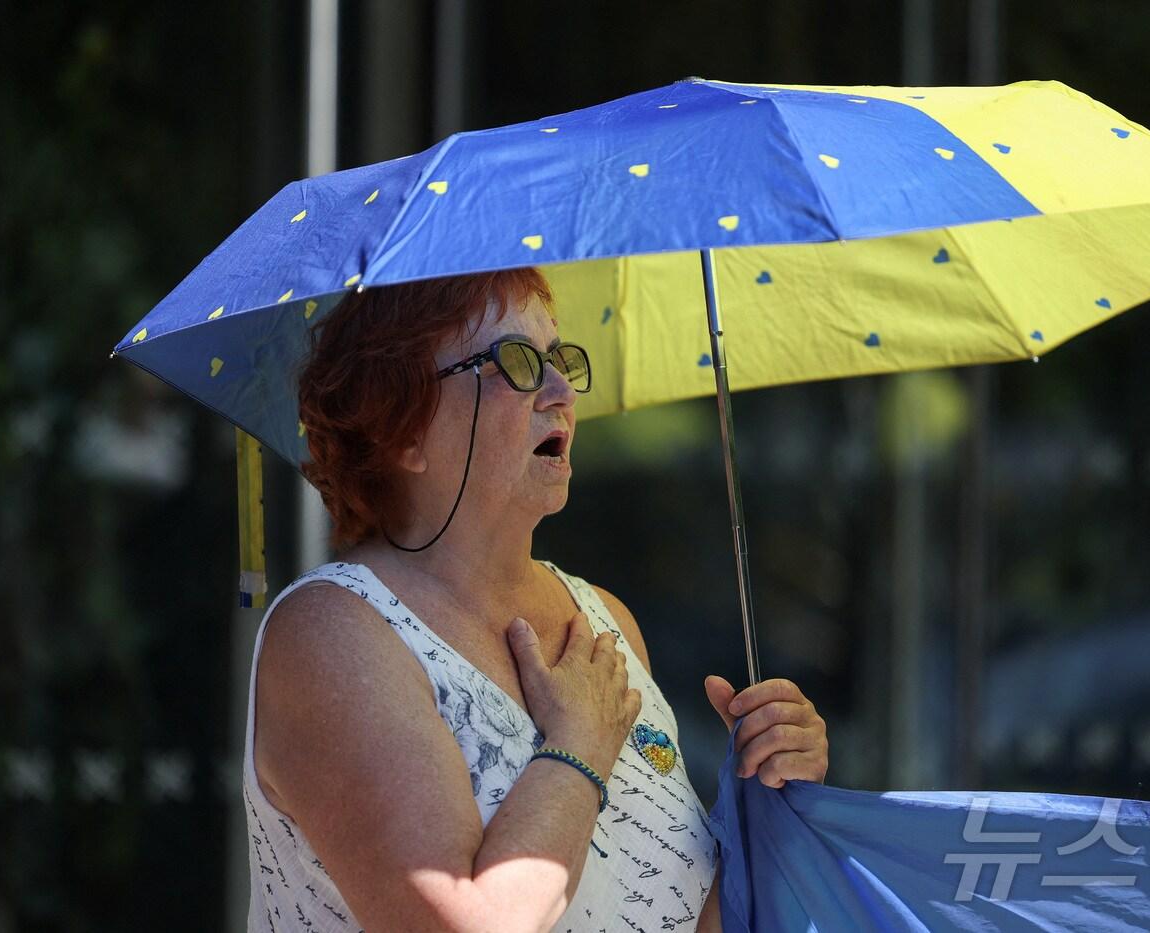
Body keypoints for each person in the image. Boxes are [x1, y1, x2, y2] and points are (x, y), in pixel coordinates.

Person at [240, 268, 830, 932]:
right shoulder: (332, 633)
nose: (560, 392)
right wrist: (578, 744)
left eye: (560, 359)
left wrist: (764, 810)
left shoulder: (607, 619)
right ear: (398, 426)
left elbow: (681, 918)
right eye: (514, 361)